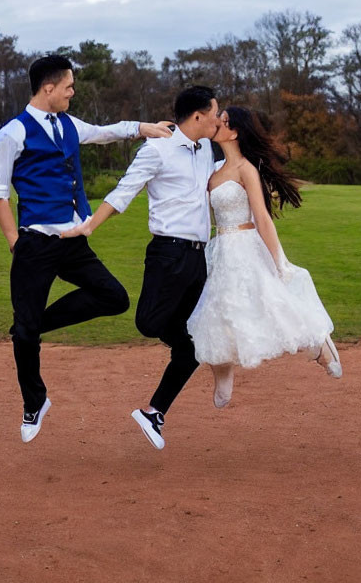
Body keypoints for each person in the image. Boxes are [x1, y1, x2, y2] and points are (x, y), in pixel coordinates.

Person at [0, 54, 173, 443]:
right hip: (34, 243)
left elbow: (105, 131)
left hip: (73, 240)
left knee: (114, 297)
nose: (72, 92)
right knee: (24, 334)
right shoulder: (12, 134)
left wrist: (143, 128)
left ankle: (34, 325)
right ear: (48, 88)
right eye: (68, 86)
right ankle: (34, 401)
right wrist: (14, 241)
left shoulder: (68, 124)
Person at [62, 85, 219, 450]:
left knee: (194, 344)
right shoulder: (157, 149)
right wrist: (88, 226)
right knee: (150, 323)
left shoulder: (207, 150)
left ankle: (155, 412)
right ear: (197, 115)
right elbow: (123, 192)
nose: (218, 118)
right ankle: (185, 346)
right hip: (168, 252)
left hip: (200, 258)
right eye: (214, 112)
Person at [187, 105, 342, 411]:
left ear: (236, 132)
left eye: (225, 121)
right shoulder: (212, 170)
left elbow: (262, 216)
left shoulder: (246, 169)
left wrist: (280, 261)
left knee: (273, 306)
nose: (219, 123)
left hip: (246, 246)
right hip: (220, 249)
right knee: (217, 311)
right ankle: (223, 373)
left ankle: (320, 345)